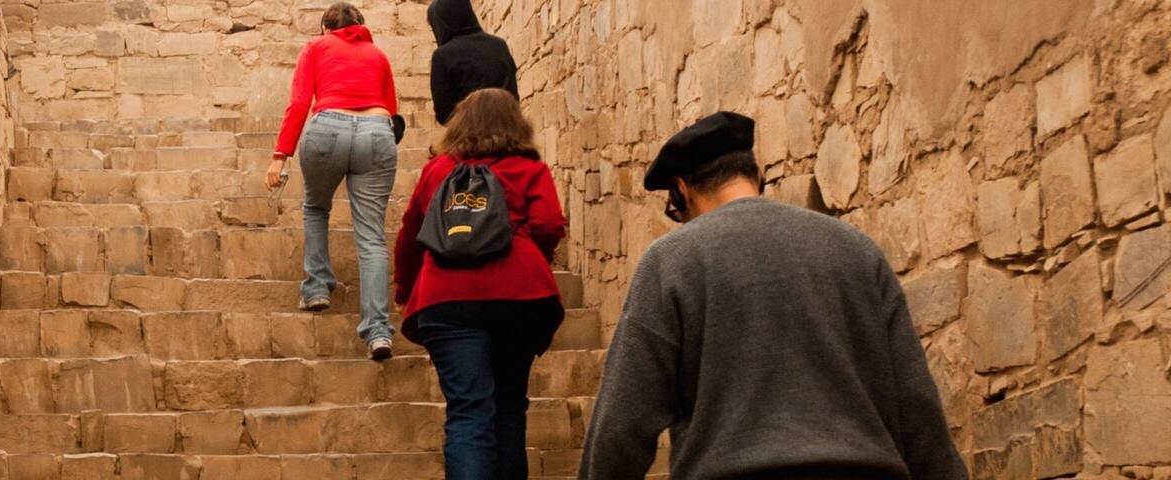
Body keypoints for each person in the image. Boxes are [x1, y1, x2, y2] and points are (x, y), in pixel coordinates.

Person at [579, 112, 967, 479]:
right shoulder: (857, 251)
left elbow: (621, 425)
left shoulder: (671, 262)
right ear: (757, 175)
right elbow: (918, 410)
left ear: (681, 190)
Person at [392, 88, 568, 480]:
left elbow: (410, 234)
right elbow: (548, 225)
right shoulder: (529, 169)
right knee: (508, 405)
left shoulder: (437, 171)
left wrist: (405, 289)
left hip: (446, 297)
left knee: (469, 409)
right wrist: (529, 257)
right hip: (521, 296)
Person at [264, 2, 402, 359]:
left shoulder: (316, 47)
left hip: (328, 127)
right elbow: (392, 110)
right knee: (371, 236)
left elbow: (298, 102)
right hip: (376, 130)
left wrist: (281, 155)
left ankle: (317, 289)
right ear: (360, 25)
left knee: (315, 206)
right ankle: (378, 332)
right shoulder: (378, 55)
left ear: (326, 28)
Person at [427, 0, 519, 126]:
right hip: (509, 133)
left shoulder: (442, 55)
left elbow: (443, 113)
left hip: (468, 138)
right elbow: (513, 97)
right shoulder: (499, 45)